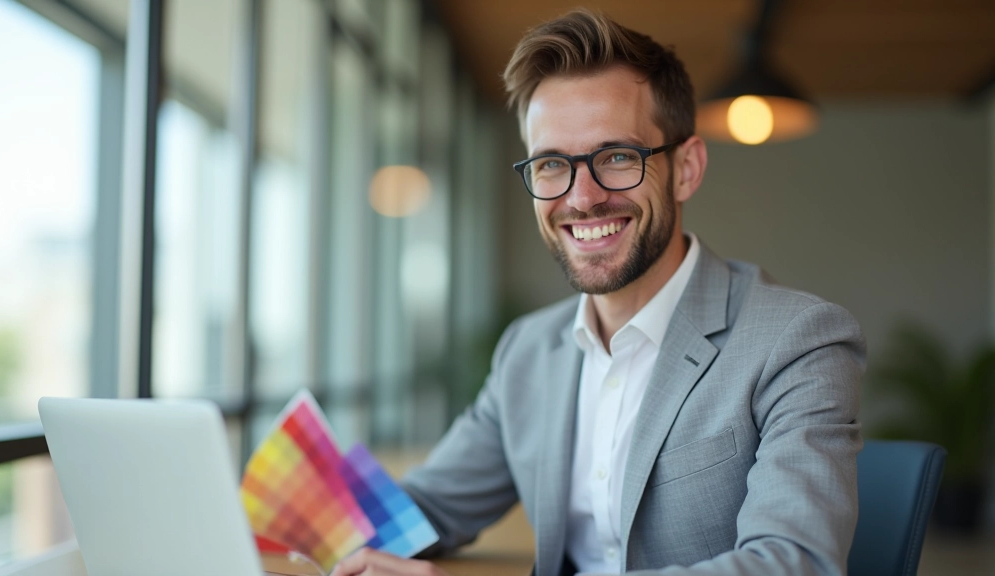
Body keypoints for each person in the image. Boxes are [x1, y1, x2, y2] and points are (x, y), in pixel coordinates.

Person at [332, 9, 864, 576]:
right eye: (551, 164)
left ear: (685, 169)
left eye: (616, 157)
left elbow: (793, 563)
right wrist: (261, 515)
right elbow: (427, 507)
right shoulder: (528, 350)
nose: (582, 198)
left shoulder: (797, 341)